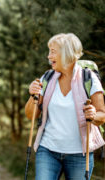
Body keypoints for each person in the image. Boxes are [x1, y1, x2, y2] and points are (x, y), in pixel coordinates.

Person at [25, 33, 105, 179]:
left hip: (79, 155)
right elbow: (31, 115)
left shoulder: (89, 79)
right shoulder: (47, 78)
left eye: (53, 52)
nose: (49, 57)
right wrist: (32, 95)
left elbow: (102, 115)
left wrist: (93, 115)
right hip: (48, 150)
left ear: (67, 53)